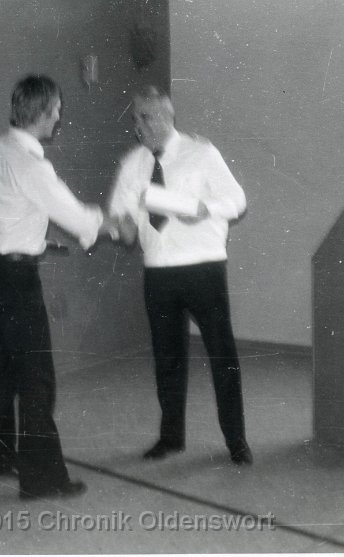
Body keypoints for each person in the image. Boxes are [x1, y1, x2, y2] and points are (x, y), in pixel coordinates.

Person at [0, 74, 110, 500]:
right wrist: (108, 223)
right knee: (36, 375)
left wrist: (11, 226)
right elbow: (78, 219)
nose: (58, 117)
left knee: (4, 364)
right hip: (17, 278)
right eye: (56, 109)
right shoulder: (33, 166)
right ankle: (42, 479)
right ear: (41, 113)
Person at [109, 85, 253, 465]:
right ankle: (170, 437)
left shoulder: (201, 153)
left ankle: (236, 440)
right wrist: (118, 226)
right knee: (167, 358)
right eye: (135, 119)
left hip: (203, 266)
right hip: (158, 271)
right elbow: (125, 225)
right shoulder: (132, 165)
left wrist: (205, 209)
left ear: (168, 116)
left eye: (146, 117)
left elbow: (237, 200)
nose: (139, 126)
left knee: (222, 355)